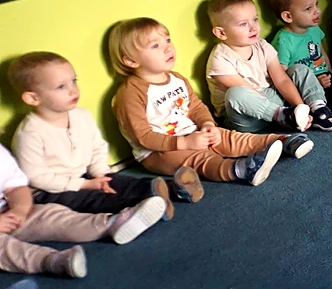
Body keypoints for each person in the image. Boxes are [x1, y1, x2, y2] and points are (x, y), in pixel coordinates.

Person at [9, 51, 199, 219]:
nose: (73, 90)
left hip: (86, 175)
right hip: (53, 189)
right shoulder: (29, 134)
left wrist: (100, 173)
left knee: (123, 182)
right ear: (33, 98)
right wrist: (84, 185)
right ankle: (139, 207)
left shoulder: (81, 116)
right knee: (94, 199)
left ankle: (171, 189)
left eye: (74, 81)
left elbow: (97, 147)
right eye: (61, 87)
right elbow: (37, 177)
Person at [107, 18, 296, 186]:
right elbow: (143, 137)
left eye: (168, 40)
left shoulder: (176, 78)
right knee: (201, 159)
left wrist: (207, 125)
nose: (168, 48)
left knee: (229, 137)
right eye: (155, 46)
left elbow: (196, 107)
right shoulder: (129, 94)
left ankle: (280, 141)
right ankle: (240, 169)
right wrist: (183, 143)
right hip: (158, 152)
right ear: (131, 61)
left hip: (193, 133)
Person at [0, 143, 167, 278]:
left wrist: (19, 210)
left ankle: (111, 223)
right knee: (6, 249)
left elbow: (17, 188)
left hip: (6, 212)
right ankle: (51, 260)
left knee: (53, 215)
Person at [206, 0, 332, 133]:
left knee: (299, 69)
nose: (253, 28)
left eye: (255, 20)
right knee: (236, 93)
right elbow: (251, 92)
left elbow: (281, 79)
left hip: (274, 100)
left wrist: (301, 108)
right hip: (248, 115)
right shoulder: (220, 58)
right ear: (221, 33)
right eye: (243, 24)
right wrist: (278, 111)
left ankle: (317, 109)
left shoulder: (262, 46)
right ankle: (284, 117)